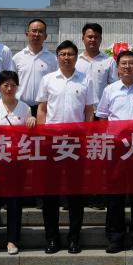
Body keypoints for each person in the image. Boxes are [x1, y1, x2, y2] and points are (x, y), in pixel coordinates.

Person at [96, 50, 133, 254]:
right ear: (118, 68)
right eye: (123, 63)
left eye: (131, 63)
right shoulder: (110, 90)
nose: (127, 67)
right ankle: (115, 238)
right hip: (116, 149)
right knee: (115, 196)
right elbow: (102, 118)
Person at [37, 40, 95, 253]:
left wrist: (87, 136)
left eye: (70, 54)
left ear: (76, 57)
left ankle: (74, 238)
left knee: (75, 194)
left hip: (75, 143)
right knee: (50, 194)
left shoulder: (85, 79)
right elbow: (42, 109)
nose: (66, 57)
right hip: (52, 142)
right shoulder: (48, 79)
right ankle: (51, 238)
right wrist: (42, 136)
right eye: (63, 54)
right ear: (57, 57)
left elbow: (89, 110)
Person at [0, 69, 33, 255]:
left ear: (17, 87)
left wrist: (32, 121)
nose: (9, 88)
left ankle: (12, 240)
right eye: (5, 85)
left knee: (14, 202)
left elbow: (30, 135)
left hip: (16, 163)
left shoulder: (25, 108)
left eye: (12, 85)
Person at [14, 18, 57, 110]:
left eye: (40, 31)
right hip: (21, 106)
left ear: (45, 36)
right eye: (34, 31)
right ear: (27, 34)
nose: (37, 34)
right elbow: (12, 82)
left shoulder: (53, 59)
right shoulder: (17, 58)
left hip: (44, 108)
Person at [76, 22, 116, 105]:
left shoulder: (109, 61)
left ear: (100, 39)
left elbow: (114, 86)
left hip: (101, 109)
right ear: (83, 38)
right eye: (90, 37)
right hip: (79, 108)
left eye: (96, 37)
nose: (93, 40)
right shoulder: (76, 61)